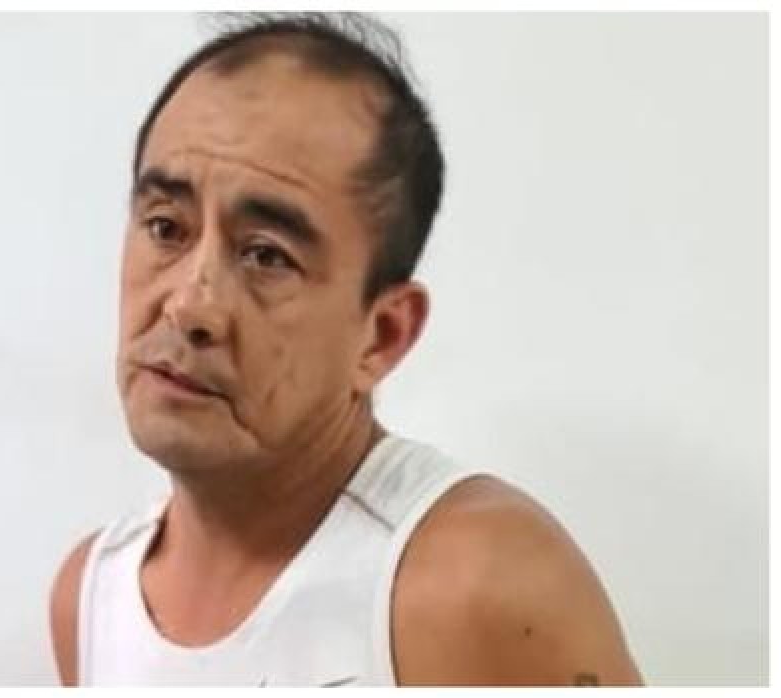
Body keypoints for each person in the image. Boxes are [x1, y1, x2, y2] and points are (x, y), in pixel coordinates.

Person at [48, 12, 642, 687]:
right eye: (165, 227)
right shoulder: (90, 597)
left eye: (267, 255)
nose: (189, 305)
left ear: (382, 335)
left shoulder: (474, 589)